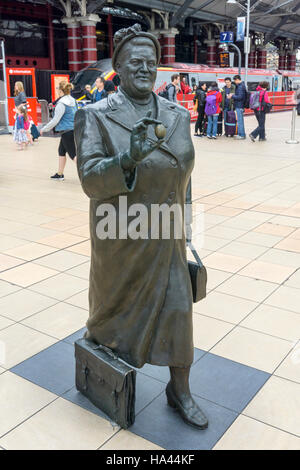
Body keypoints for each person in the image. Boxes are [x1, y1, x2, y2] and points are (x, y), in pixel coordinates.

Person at [74, 23, 208, 430]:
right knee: (112, 317)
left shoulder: (178, 115)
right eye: (136, 62)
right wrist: (127, 160)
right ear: (117, 66)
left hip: (166, 236)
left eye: (152, 62)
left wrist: (184, 227)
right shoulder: (95, 115)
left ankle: (179, 388)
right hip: (121, 237)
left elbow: (184, 175)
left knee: (179, 310)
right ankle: (106, 365)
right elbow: (90, 180)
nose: (146, 69)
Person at [40, 81, 77, 180]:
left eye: (57, 89)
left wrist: (44, 129)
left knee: (73, 155)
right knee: (61, 151)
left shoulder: (61, 103)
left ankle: (90, 174)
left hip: (66, 131)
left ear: (60, 91)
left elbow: (55, 120)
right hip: (72, 130)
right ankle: (60, 174)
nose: (57, 91)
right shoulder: (73, 100)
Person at [228, 74, 247, 139]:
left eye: (235, 80)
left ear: (238, 79)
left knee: (240, 121)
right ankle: (241, 134)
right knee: (240, 121)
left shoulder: (240, 86)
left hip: (239, 105)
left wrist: (232, 96)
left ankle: (241, 135)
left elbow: (240, 97)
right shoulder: (241, 86)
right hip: (240, 105)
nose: (235, 82)